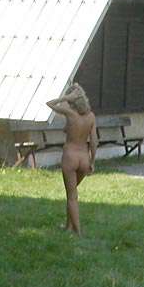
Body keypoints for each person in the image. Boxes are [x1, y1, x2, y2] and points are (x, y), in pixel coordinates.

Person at [46, 83, 97, 235]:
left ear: (72, 100)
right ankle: (68, 227)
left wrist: (65, 97)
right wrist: (92, 161)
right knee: (72, 193)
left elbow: (49, 103)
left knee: (72, 197)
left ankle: (77, 231)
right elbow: (94, 141)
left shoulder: (70, 113)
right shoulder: (91, 116)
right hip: (84, 158)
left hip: (70, 156)